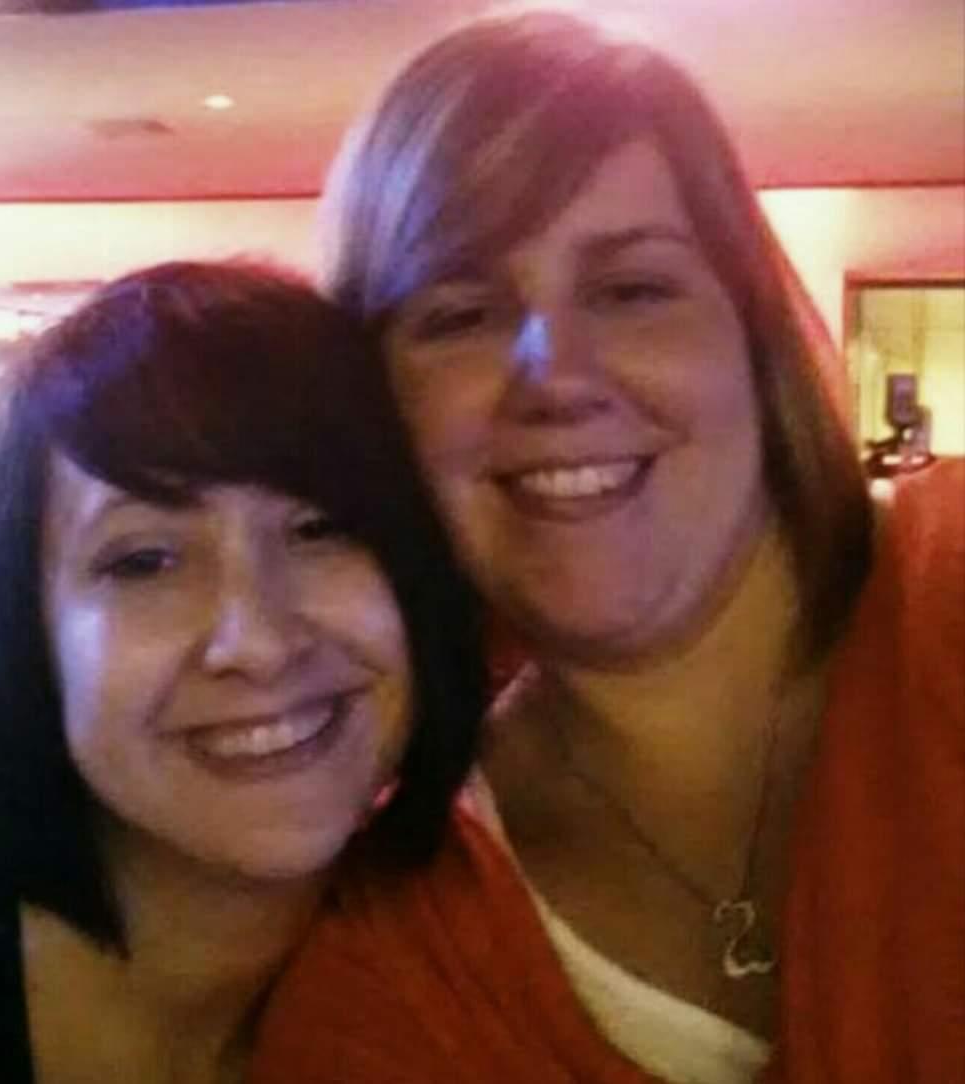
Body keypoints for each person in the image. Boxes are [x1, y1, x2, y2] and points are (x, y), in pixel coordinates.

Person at [249, 10, 965, 1084]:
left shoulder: (945, 587)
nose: (557, 375)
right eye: (460, 313)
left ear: (754, 335)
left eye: (633, 291)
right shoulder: (395, 942)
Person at [0, 261, 486, 1082]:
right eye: (145, 560)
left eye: (320, 528)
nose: (258, 641)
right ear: (24, 626)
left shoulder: (472, 972)